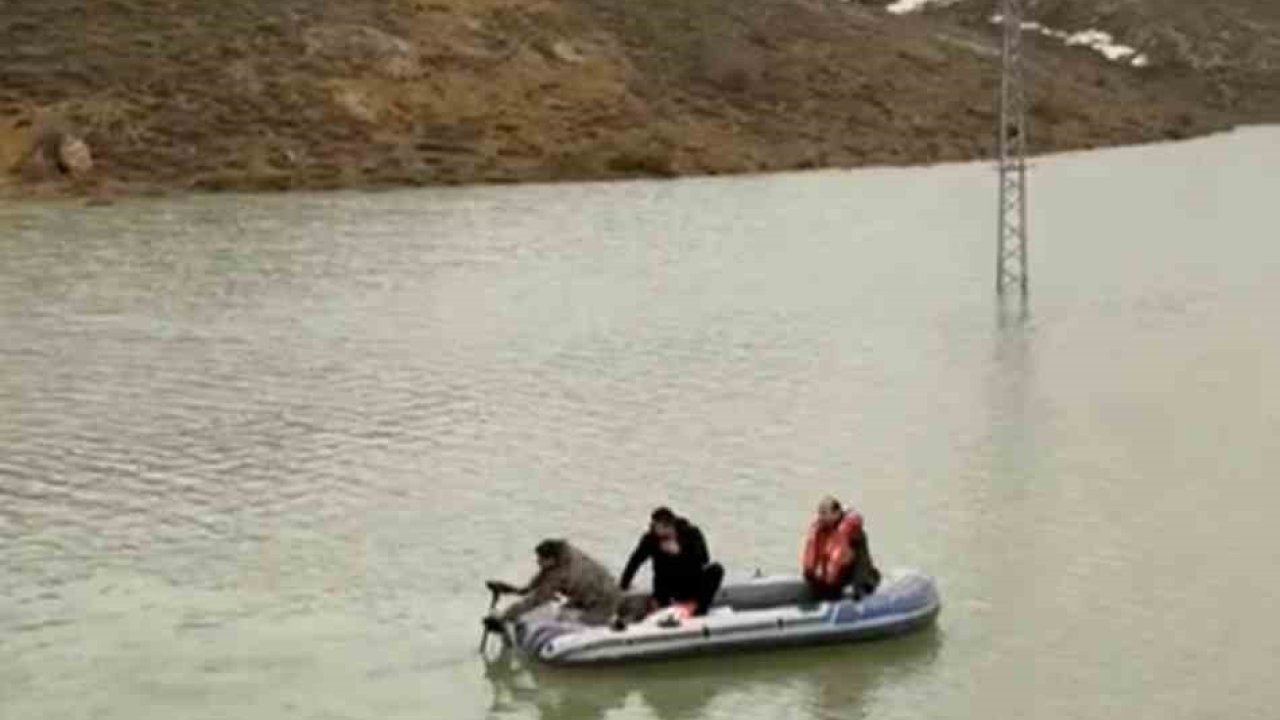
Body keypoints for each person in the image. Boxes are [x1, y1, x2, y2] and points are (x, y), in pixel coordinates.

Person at [487, 539, 622, 626]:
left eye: (541, 559)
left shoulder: (560, 574)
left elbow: (536, 599)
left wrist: (504, 617)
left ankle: (612, 623)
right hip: (592, 592)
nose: (537, 562)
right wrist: (510, 589)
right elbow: (536, 583)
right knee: (563, 612)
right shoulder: (563, 554)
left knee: (575, 624)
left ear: (551, 559)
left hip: (604, 601)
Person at [619, 507, 724, 618]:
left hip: (691, 581)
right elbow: (635, 561)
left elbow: (704, 559)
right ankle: (663, 605)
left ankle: (697, 608)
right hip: (665, 585)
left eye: (660, 528)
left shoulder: (691, 533)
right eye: (654, 527)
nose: (656, 531)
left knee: (716, 569)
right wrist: (623, 585)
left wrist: (680, 552)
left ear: (670, 526)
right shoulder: (651, 539)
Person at [801, 496, 881, 601]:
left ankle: (861, 589)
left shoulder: (850, 528)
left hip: (854, 572)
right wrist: (810, 573)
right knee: (817, 579)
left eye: (824, 513)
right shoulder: (821, 529)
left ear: (837, 513)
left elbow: (845, 556)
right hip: (833, 574)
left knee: (857, 580)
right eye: (820, 513)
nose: (821, 517)